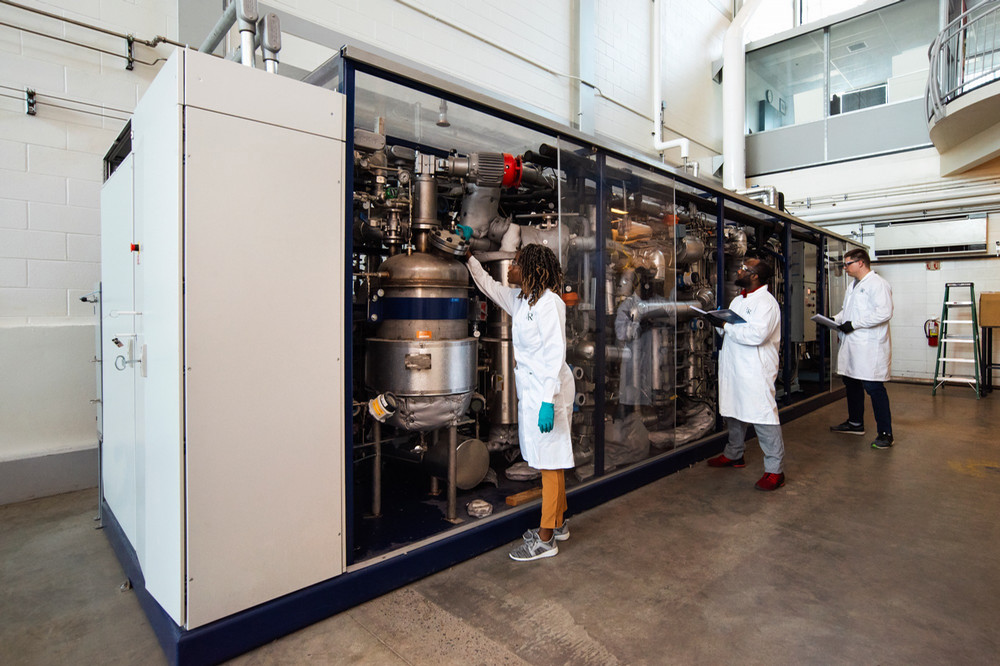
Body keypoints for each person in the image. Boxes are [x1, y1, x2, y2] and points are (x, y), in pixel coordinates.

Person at [465, 243, 575, 561]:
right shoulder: (521, 300)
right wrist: (469, 258)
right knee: (549, 460)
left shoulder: (550, 304)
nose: (510, 268)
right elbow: (489, 286)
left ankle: (545, 539)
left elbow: (555, 354)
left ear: (530, 269)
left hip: (550, 391)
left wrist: (547, 401)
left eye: (515, 263)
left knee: (550, 464)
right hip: (533, 390)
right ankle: (559, 522)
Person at [705, 256, 786, 491]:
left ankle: (775, 470)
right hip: (734, 366)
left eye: (743, 268)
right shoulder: (738, 300)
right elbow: (729, 331)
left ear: (755, 276)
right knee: (734, 411)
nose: (738, 271)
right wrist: (718, 323)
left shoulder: (767, 303)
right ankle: (734, 454)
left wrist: (726, 326)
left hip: (755, 370)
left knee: (763, 416)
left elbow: (756, 336)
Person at [829, 248, 894, 450]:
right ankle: (855, 423)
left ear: (861, 263)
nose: (844, 268)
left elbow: (884, 313)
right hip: (853, 344)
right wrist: (833, 319)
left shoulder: (878, 284)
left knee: (874, 388)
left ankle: (885, 434)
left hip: (869, 346)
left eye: (847, 264)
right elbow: (847, 311)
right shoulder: (853, 286)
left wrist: (854, 324)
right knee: (851, 382)